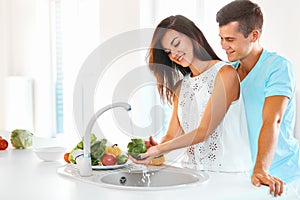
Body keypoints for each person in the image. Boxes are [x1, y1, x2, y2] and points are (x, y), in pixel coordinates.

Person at [130, 15, 252, 173]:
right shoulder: (181, 86)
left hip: (227, 173)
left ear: (194, 37)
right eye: (168, 51)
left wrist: (160, 149)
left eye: (176, 43)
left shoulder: (224, 74)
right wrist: (155, 149)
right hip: (191, 172)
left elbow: (204, 131)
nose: (174, 54)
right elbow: (171, 136)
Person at [216, 0, 300, 197]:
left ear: (254, 35)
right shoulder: (230, 73)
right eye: (221, 38)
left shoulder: (278, 67)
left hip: (281, 175)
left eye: (230, 39)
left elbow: (273, 121)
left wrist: (262, 168)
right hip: (246, 174)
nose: (223, 46)